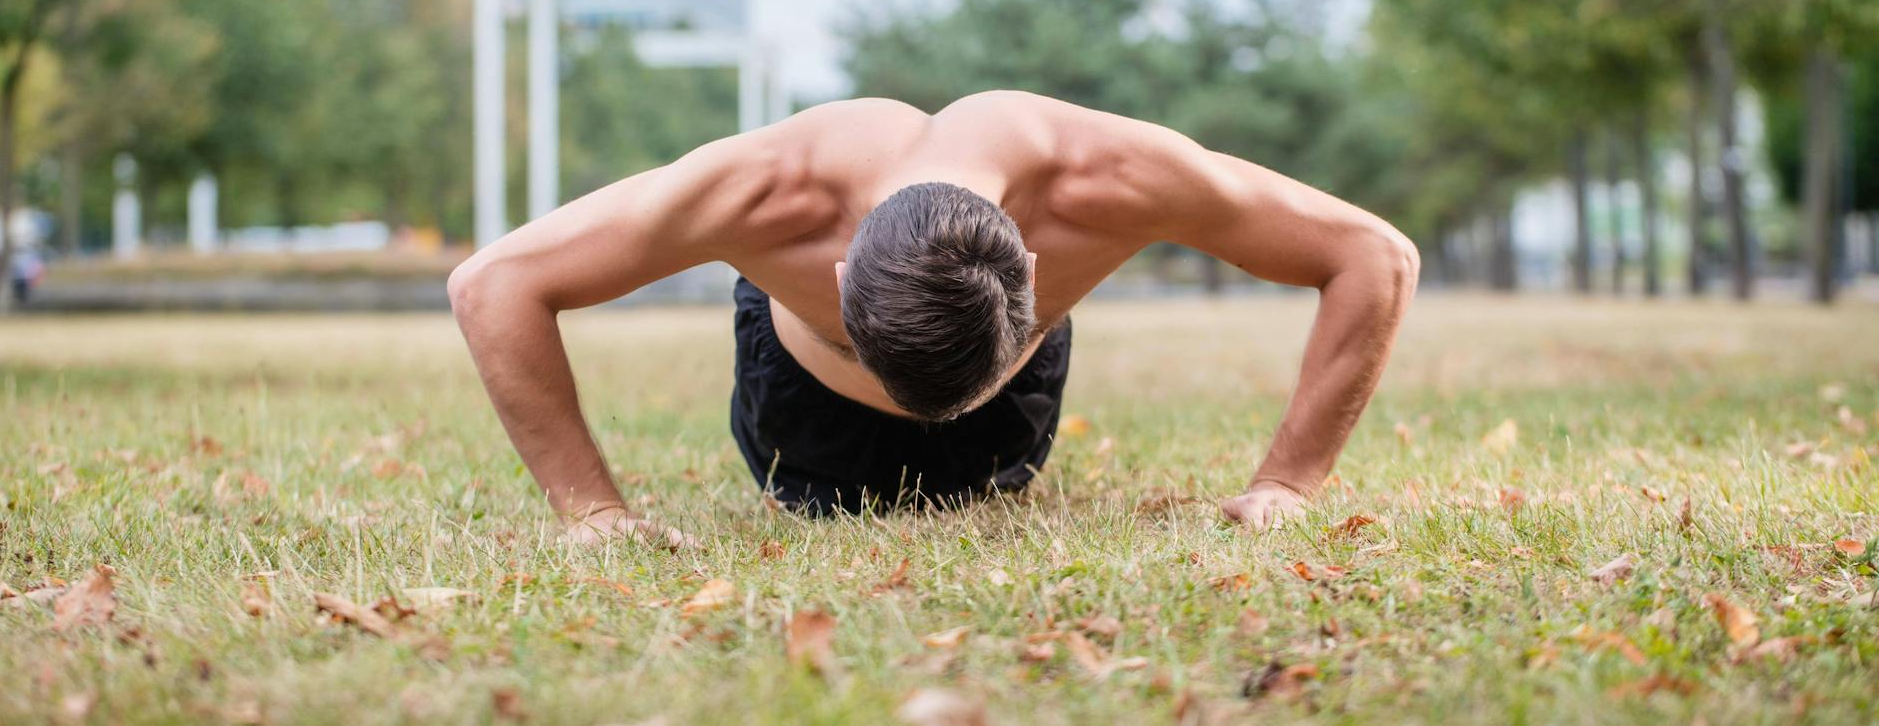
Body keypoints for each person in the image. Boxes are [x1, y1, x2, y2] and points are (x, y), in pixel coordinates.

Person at [448, 92, 1418, 544]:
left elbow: (1374, 256)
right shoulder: (756, 191)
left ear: (1027, 268)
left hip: (1006, 423)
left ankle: (977, 370)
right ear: (840, 277)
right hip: (811, 433)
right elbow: (493, 285)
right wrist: (595, 512)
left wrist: (1287, 482)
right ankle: (865, 364)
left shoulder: (1119, 177)